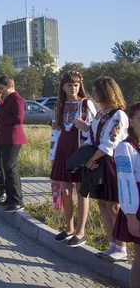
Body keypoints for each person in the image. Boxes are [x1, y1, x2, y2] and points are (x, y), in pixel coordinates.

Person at [49, 71, 96, 247]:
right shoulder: (59, 105)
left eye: (76, 85)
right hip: (63, 149)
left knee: (81, 191)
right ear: (63, 87)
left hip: (80, 150)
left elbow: (95, 128)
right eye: (69, 85)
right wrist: (52, 155)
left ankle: (81, 231)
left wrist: (86, 128)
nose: (73, 88)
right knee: (65, 191)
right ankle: (69, 227)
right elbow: (54, 131)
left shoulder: (86, 104)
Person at [84, 76, 129, 260]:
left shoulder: (119, 115)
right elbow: (93, 136)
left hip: (112, 163)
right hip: (97, 162)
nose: (93, 94)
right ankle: (112, 244)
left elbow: (110, 142)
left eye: (96, 90)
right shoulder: (101, 114)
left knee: (114, 205)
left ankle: (122, 248)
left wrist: (91, 159)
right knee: (102, 204)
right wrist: (89, 158)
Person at [0, 75, 26, 213]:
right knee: (7, 168)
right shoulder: (8, 99)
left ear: (10, 85)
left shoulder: (16, 99)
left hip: (14, 138)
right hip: (6, 138)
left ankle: (17, 201)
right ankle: (11, 199)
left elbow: (18, 118)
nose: (1, 91)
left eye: (2, 88)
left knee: (10, 168)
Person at [113, 103, 140, 285]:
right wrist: (130, 215)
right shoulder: (125, 148)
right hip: (137, 204)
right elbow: (125, 182)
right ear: (131, 121)